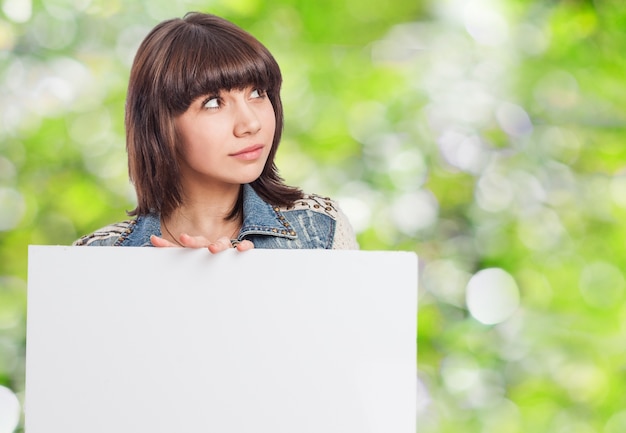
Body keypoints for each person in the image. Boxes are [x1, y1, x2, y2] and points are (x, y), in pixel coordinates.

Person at [73, 12, 358, 252]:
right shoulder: (97, 255)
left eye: (257, 93)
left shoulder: (319, 229)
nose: (250, 124)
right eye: (213, 102)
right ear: (160, 123)